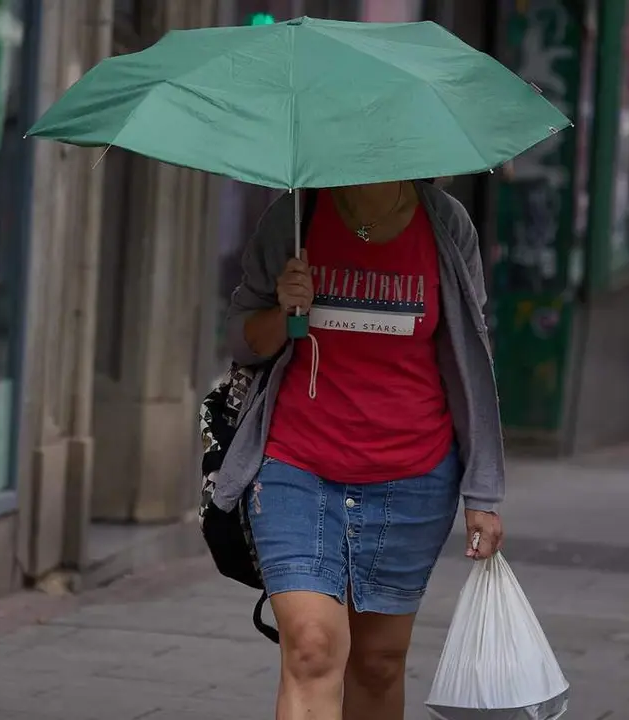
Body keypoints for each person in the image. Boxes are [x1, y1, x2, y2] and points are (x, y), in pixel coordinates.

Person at [213, 179, 506, 720]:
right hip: (296, 464)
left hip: (414, 473)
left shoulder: (446, 224)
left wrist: (482, 492)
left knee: (377, 663)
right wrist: (284, 309)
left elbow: (470, 355)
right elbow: (241, 340)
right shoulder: (295, 218)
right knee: (311, 648)